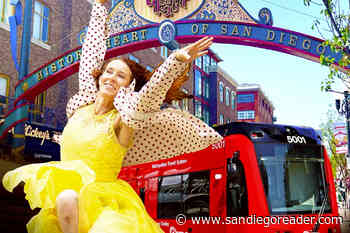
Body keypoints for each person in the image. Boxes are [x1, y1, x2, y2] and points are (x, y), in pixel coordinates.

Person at [2, 0, 223, 232]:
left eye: (121, 76)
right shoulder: (80, 105)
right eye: (109, 71)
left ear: (128, 86)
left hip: (104, 207)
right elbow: (91, 54)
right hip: (67, 206)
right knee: (66, 198)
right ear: (99, 76)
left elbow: (146, 101)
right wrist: (99, 8)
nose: (111, 77)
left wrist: (175, 62)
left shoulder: (122, 121)